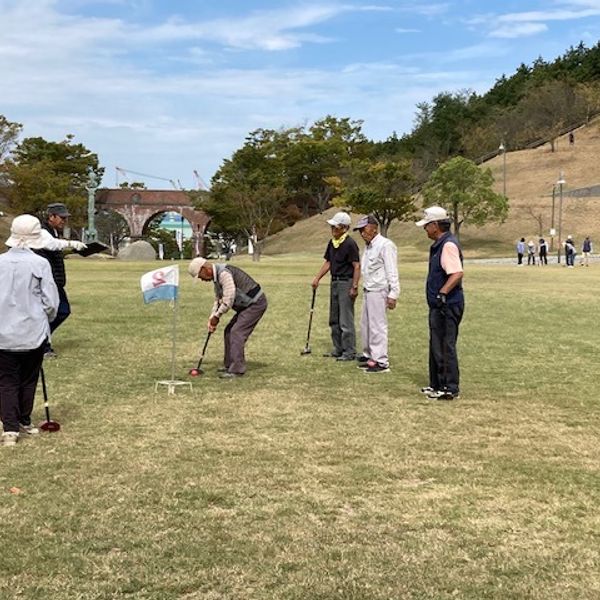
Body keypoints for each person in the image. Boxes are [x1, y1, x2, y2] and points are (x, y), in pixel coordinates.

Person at [0, 215, 59, 446]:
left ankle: (11, 428)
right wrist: (46, 318)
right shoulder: (40, 264)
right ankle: (23, 420)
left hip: (3, 331)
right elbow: (51, 302)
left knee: (6, 380)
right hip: (32, 331)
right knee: (28, 378)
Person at [188, 258, 267, 379]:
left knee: (237, 332)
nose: (201, 279)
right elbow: (218, 299)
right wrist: (212, 317)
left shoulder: (224, 274)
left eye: (200, 276)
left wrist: (217, 316)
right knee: (229, 331)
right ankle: (229, 365)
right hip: (246, 305)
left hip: (255, 303)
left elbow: (228, 299)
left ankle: (237, 370)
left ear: (205, 269)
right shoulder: (216, 278)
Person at [416, 206, 464, 401]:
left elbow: (457, 273)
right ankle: (436, 383)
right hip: (438, 305)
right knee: (436, 343)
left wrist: (442, 293)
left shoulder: (448, 245)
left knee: (445, 345)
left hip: (447, 304)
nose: (425, 229)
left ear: (436, 225)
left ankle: (449, 386)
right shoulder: (439, 244)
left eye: (426, 225)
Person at [34, 203, 86, 357]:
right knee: (56, 311)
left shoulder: (54, 232)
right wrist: (70, 243)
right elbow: (51, 245)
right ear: (51, 217)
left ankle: (41, 342)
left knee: (61, 311)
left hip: (55, 280)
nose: (64, 221)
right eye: (62, 217)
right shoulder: (42, 232)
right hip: (47, 281)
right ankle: (42, 344)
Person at [353, 215, 399, 374]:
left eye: (364, 230)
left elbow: (392, 271)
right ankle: (369, 355)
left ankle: (381, 360)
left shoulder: (385, 245)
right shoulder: (369, 246)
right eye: (360, 231)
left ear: (374, 229)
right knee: (365, 324)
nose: (362, 234)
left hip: (379, 290)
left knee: (378, 326)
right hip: (368, 289)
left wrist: (393, 293)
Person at [312, 212, 360, 361]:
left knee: (346, 319)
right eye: (332, 226)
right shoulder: (332, 243)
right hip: (335, 281)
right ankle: (338, 348)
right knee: (334, 318)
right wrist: (317, 278)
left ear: (344, 228)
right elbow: (328, 263)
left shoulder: (350, 243)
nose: (332, 229)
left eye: (335, 226)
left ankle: (349, 351)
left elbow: (356, 266)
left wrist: (355, 286)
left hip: (346, 282)